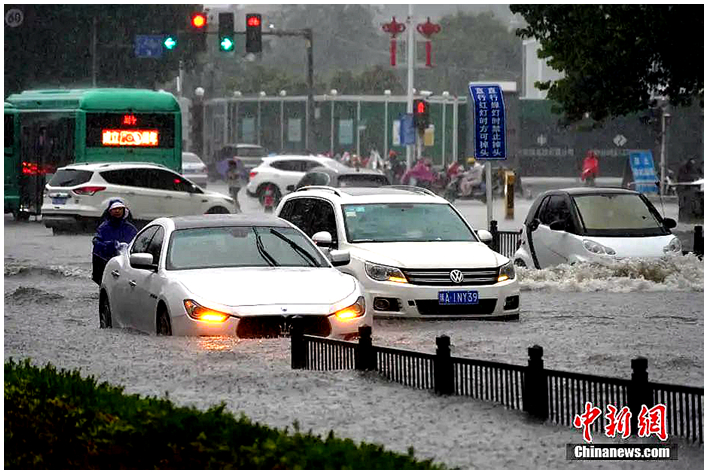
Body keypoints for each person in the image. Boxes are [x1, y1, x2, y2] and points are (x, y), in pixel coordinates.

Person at [92, 199, 138, 285]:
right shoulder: (103, 227)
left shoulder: (130, 228)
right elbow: (96, 242)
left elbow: (138, 242)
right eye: (115, 209)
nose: (117, 211)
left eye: (120, 209)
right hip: (105, 260)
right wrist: (112, 245)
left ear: (124, 211)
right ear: (110, 211)